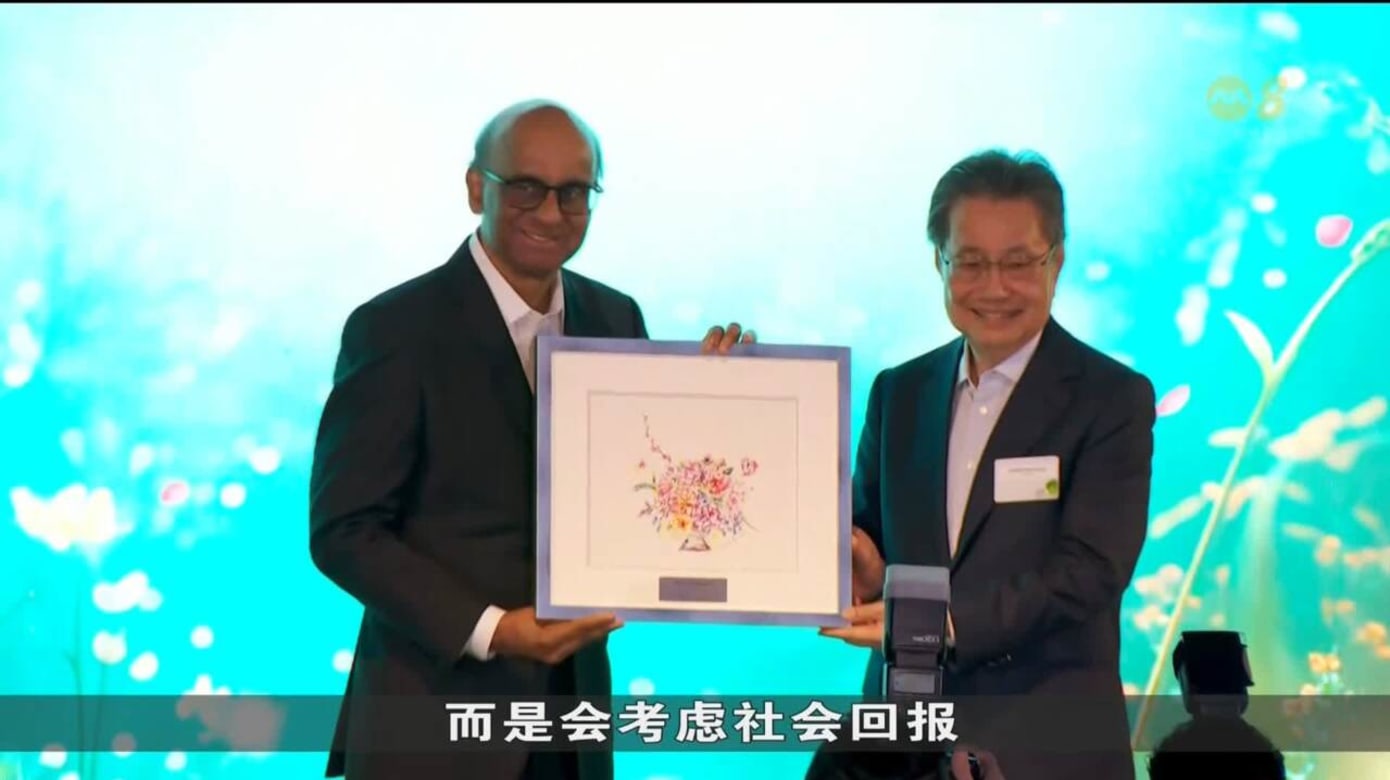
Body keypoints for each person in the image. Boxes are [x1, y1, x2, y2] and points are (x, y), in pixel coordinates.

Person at [308, 99, 753, 780]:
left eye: (573, 192)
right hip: (432, 723)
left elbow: (641, 487)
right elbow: (344, 531)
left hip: (573, 724)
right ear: (475, 188)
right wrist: (491, 628)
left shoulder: (614, 316)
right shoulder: (396, 328)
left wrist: (721, 407)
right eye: (526, 188)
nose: (550, 212)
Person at [818, 149, 1156, 780]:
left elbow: (1090, 571)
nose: (994, 287)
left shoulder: (1111, 398)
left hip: (1046, 748)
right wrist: (864, 569)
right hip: (899, 748)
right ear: (939, 262)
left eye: (1019, 262)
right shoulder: (900, 392)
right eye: (970, 262)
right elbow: (871, 554)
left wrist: (947, 624)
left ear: (1057, 260)